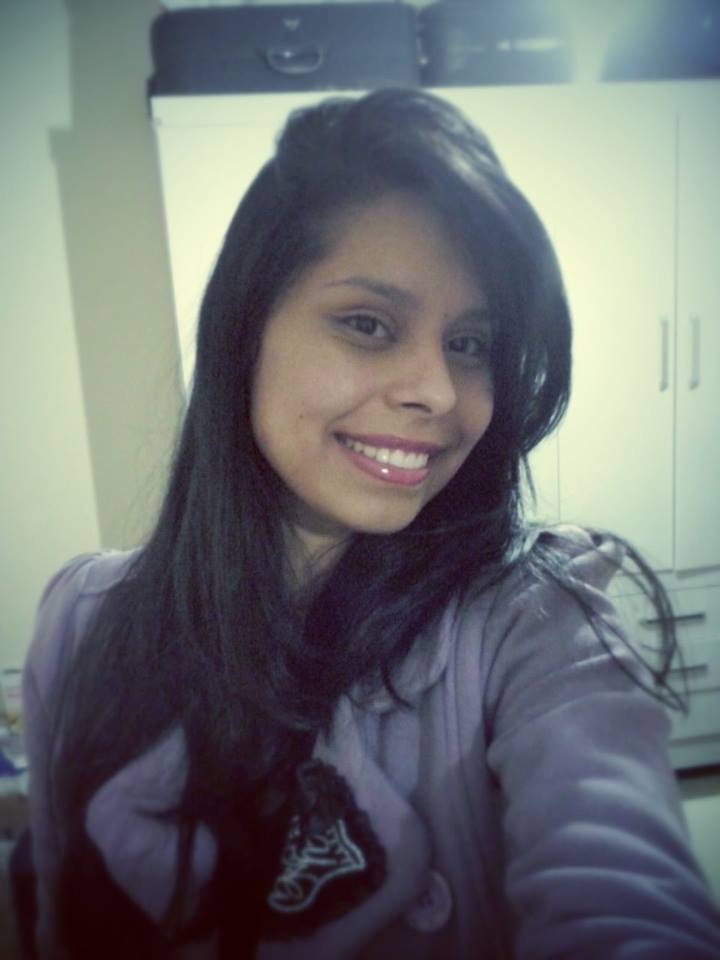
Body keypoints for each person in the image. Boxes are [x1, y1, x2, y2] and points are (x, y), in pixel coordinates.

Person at [22, 89, 720, 959]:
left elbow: (625, 905)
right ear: (245, 333)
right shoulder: (83, 618)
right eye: (368, 324)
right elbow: (53, 913)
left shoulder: (536, 626)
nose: (438, 390)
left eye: (470, 343)